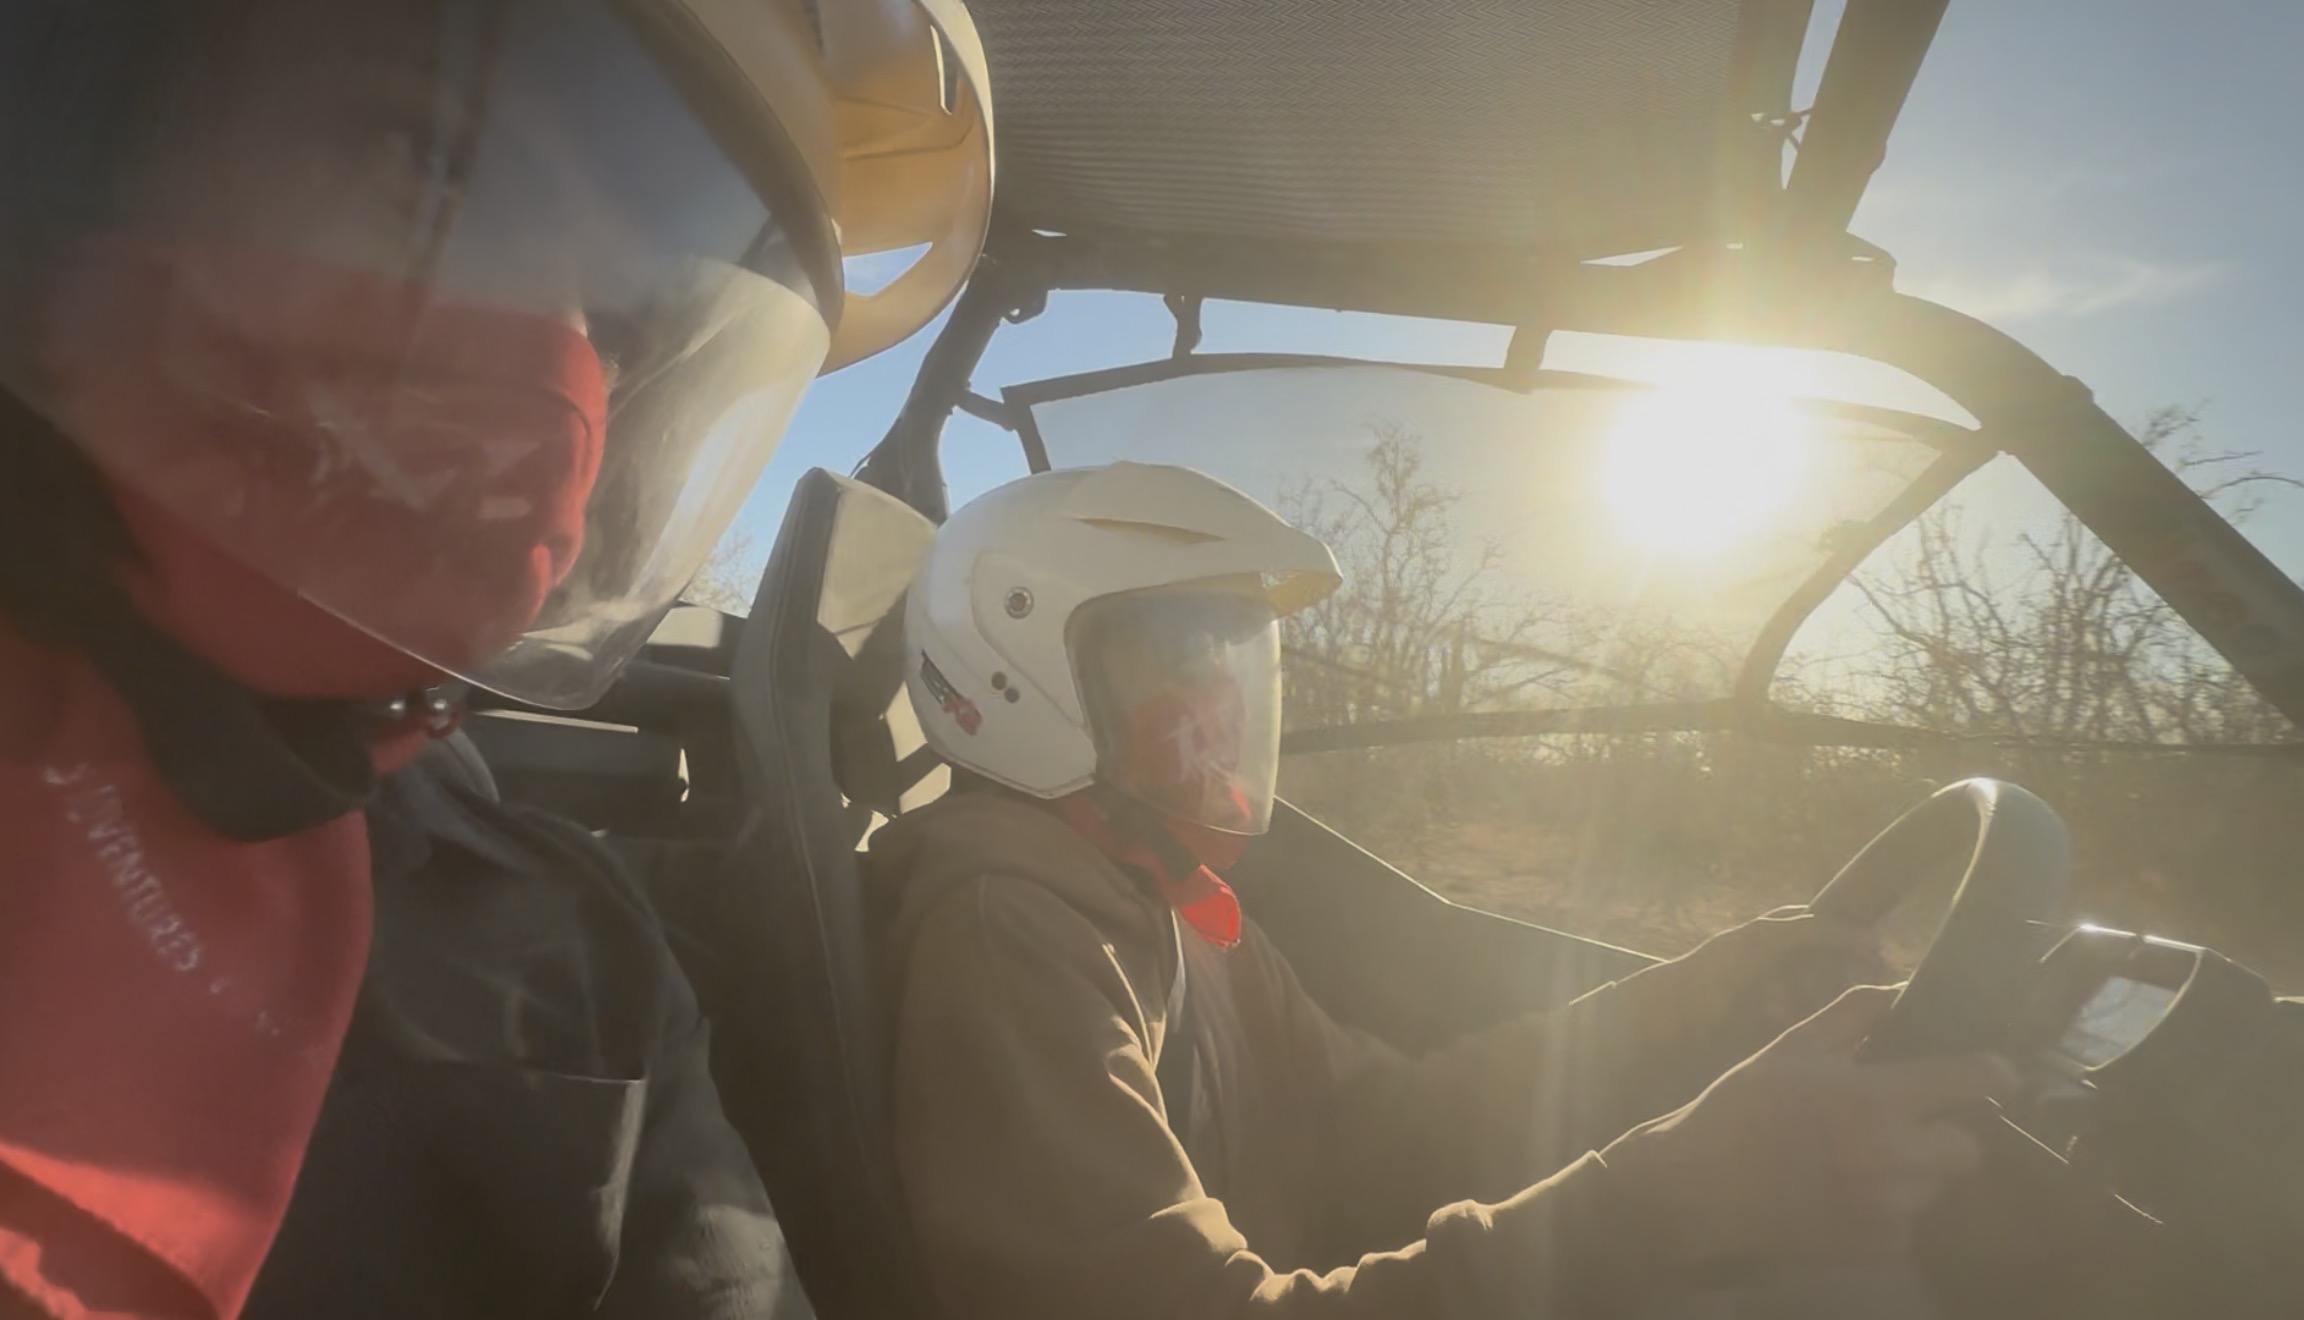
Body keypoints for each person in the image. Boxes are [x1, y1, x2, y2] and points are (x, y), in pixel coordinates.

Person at [0, 1, 992, 1316]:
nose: (560, 360)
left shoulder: (586, 958)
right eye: (428, 162)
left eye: (623, 332)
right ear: (94, 108)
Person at [872, 461, 2015, 1319]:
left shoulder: (1170, 902)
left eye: (1225, 664)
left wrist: (1686, 998)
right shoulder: (1005, 932)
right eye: (1172, 663)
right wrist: (1670, 1200)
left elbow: (1380, 1125)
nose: (1216, 708)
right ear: (1015, 674)